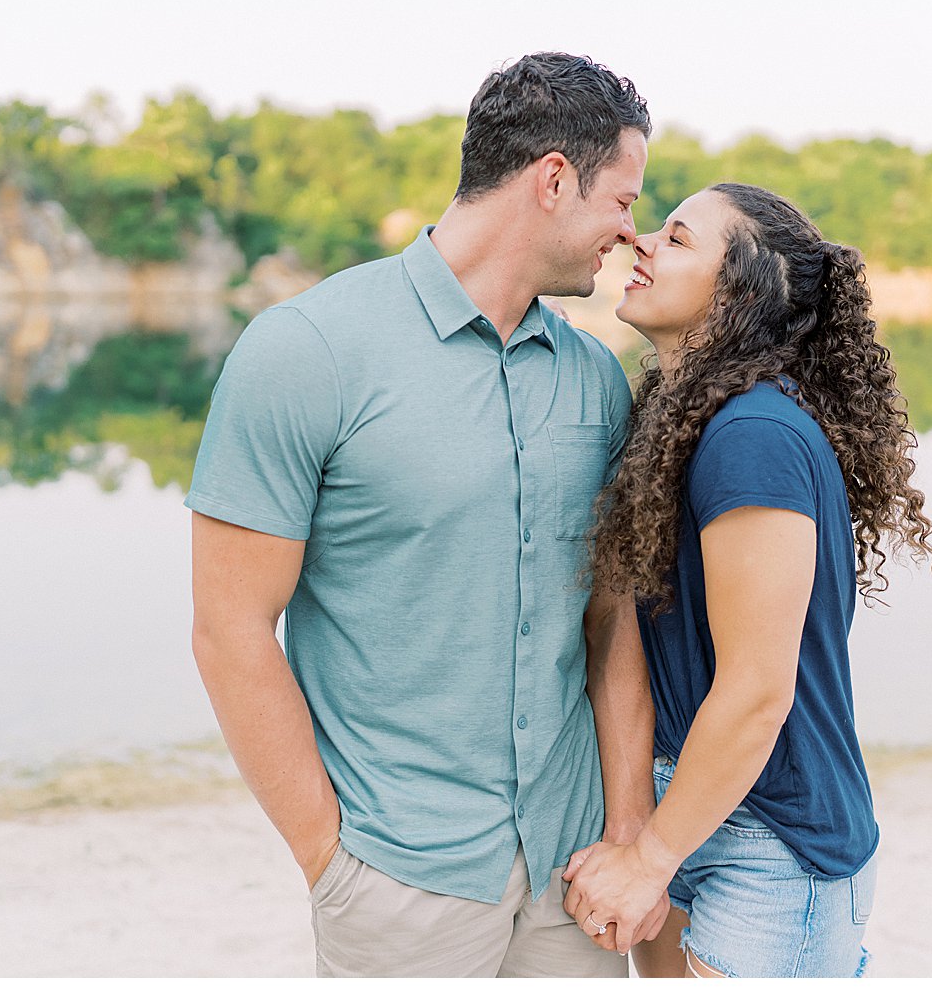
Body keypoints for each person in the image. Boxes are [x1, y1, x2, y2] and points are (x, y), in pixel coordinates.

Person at [186, 52, 668, 978]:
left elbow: (610, 619)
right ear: (553, 181)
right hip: (398, 879)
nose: (629, 230)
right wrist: (332, 860)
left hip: (574, 879)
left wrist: (629, 831)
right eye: (624, 198)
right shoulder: (305, 352)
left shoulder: (594, 380)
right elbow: (230, 629)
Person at [561, 183, 932, 977]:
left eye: (677, 238)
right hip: (694, 810)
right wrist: (645, 830)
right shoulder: (682, 417)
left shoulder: (753, 435)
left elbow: (757, 689)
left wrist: (648, 859)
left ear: (736, 289)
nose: (644, 244)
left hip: (772, 844)